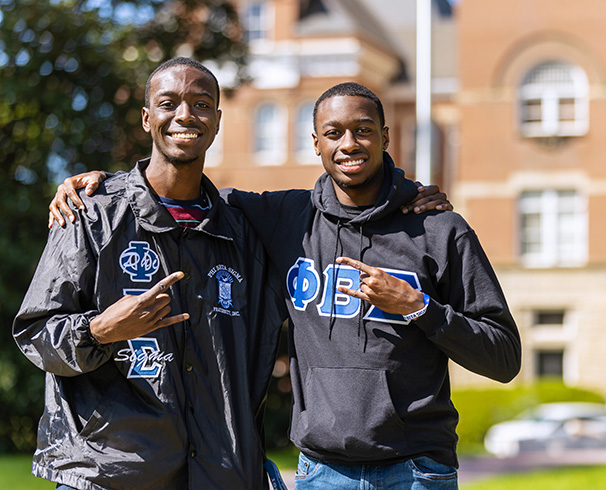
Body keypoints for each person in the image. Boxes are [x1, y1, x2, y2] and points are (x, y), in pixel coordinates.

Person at [48, 83, 494, 490]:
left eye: (363, 130)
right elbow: (176, 190)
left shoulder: (437, 229)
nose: (350, 144)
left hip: (415, 470)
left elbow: (502, 355)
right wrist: (104, 186)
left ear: (385, 136)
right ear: (316, 143)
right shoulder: (287, 218)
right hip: (322, 471)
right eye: (334, 133)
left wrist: (419, 307)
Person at [14, 57, 288, 490]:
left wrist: (408, 193)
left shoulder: (244, 230)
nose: (185, 115)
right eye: (169, 103)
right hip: (108, 475)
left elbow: (340, 203)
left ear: (216, 121)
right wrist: (101, 329)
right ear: (147, 118)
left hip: (219, 475)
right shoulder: (92, 213)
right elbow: (35, 335)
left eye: (201, 104)